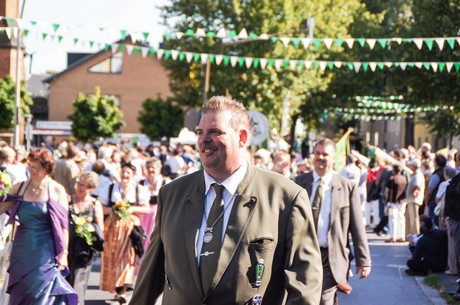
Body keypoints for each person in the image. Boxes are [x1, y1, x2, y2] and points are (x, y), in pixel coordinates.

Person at [130, 96, 322, 305]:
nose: (204, 140)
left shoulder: (285, 197)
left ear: (242, 137)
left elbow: (305, 284)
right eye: (200, 133)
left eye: (215, 132)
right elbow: (150, 277)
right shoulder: (172, 194)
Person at [295, 138, 371, 305]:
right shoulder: (299, 183)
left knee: (323, 299)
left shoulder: (346, 186)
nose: (320, 157)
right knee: (304, 299)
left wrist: (363, 260)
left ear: (334, 158)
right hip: (304, 254)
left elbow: (357, 225)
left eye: (325, 154)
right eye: (317, 153)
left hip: (332, 255)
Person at [0, 147, 77, 304]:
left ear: (45, 168)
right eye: (29, 165)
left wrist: (64, 253)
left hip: (45, 249)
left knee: (42, 288)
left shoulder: (57, 190)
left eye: (34, 167)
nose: (30, 169)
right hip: (22, 247)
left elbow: (64, 226)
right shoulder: (21, 187)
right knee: (23, 289)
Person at [99, 162, 150, 304]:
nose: (125, 175)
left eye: (128, 173)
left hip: (130, 230)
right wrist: (113, 210)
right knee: (112, 258)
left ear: (133, 175)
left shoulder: (139, 190)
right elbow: (100, 207)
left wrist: (131, 209)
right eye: (123, 172)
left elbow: (146, 209)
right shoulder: (110, 189)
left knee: (128, 258)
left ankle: (123, 291)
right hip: (112, 229)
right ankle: (117, 289)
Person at [67, 171, 105, 305]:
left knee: (78, 281)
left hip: (84, 249)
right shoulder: (68, 200)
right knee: (65, 278)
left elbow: (100, 228)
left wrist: (87, 230)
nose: (79, 187)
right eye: (78, 183)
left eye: (83, 185)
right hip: (67, 245)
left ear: (91, 188)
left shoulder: (94, 204)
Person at [385, 163, 408, 243]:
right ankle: (401, 236)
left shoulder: (392, 179)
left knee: (392, 219)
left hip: (393, 201)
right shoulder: (404, 178)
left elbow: (387, 191)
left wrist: (386, 200)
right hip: (402, 200)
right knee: (401, 218)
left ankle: (393, 236)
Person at [405, 159, 425, 236]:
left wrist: (413, 192)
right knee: (409, 217)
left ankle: (415, 234)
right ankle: (409, 234)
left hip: (414, 199)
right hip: (411, 199)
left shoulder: (418, 175)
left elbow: (417, 185)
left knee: (414, 218)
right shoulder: (414, 174)